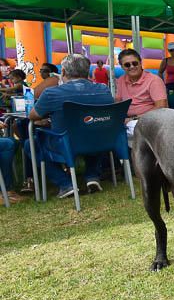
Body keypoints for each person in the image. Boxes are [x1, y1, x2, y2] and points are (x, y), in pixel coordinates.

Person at [28, 54, 114, 198]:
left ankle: (65, 184)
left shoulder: (52, 93)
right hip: (100, 142)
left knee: (30, 144)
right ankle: (92, 175)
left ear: (62, 72)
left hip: (65, 143)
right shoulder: (103, 89)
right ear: (87, 71)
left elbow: (32, 115)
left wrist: (50, 118)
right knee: (94, 129)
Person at [115, 49, 167, 139]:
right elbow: (117, 104)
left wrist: (133, 118)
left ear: (140, 63)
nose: (132, 67)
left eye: (134, 63)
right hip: (129, 121)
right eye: (127, 65)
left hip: (151, 120)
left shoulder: (154, 80)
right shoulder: (121, 80)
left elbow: (161, 107)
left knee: (122, 133)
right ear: (122, 67)